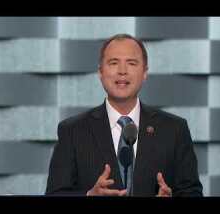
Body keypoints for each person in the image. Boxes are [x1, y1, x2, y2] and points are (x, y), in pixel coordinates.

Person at [45, 34, 203, 197]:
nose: (122, 71)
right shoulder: (72, 131)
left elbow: (192, 192)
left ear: (145, 73)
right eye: (113, 63)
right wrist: (89, 196)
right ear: (100, 72)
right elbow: (54, 193)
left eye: (131, 63)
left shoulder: (174, 129)